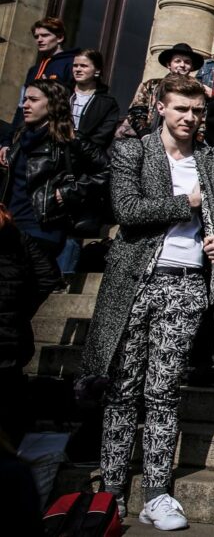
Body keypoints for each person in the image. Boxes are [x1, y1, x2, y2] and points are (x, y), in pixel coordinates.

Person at [79, 74, 214, 528]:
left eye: (197, 111)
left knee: (163, 390)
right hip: (134, 284)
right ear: (160, 106)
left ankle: (157, 492)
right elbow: (128, 210)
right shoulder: (132, 151)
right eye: (181, 109)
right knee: (122, 391)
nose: (190, 119)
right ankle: (111, 492)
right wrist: (186, 202)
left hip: (188, 284)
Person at [0, 81, 99, 262]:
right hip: (11, 226)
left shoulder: (69, 139)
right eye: (25, 99)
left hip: (43, 230)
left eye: (33, 100)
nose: (26, 105)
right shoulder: (20, 138)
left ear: (52, 103)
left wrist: (68, 192)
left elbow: (105, 171)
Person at [0, 200, 62, 445]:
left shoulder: (20, 240)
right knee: (9, 409)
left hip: (11, 337)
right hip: (13, 341)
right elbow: (48, 275)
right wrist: (20, 311)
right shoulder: (19, 238)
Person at [60, 50, 120, 275]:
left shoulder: (106, 103)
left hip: (85, 165)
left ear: (96, 71)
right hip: (56, 162)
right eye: (75, 65)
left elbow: (102, 137)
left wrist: (74, 139)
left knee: (76, 223)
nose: (77, 69)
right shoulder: (62, 95)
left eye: (83, 66)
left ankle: (64, 275)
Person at [116, 43, 206, 139]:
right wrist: (145, 134)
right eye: (177, 61)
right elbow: (136, 112)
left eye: (187, 62)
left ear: (191, 67)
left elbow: (202, 120)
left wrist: (197, 141)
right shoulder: (150, 85)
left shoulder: (197, 91)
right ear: (169, 64)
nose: (182, 65)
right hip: (147, 136)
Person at [8, 17, 76, 133]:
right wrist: (8, 140)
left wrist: (52, 88)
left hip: (53, 132)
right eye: (36, 37)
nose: (39, 40)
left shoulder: (72, 63)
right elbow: (21, 106)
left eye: (45, 35)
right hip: (26, 133)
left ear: (59, 38)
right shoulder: (33, 70)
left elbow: (75, 101)